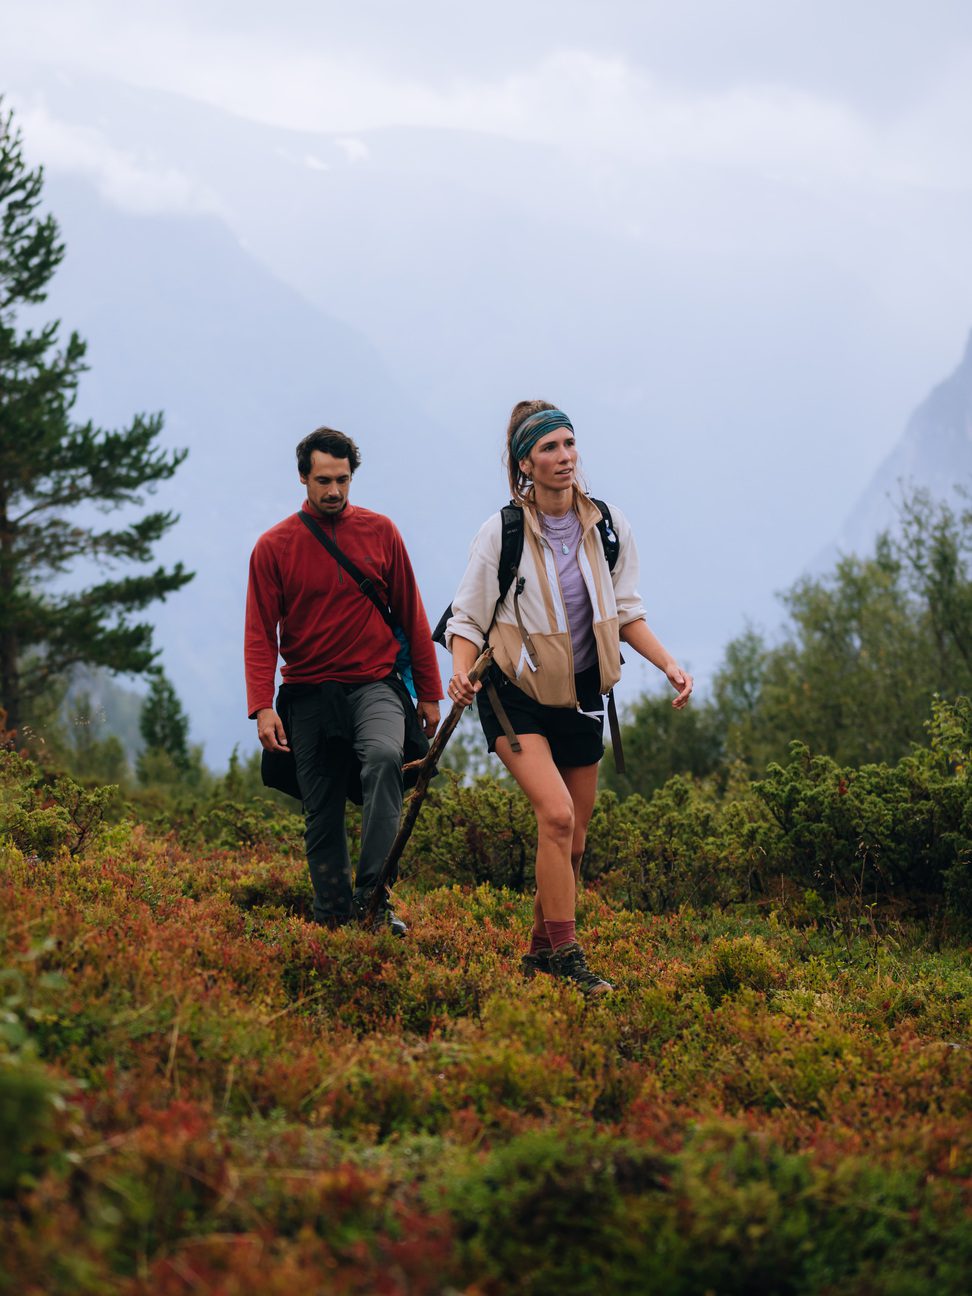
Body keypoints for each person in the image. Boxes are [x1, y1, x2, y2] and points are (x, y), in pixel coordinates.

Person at [445, 400, 692, 993]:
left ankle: (537, 953)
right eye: (549, 448)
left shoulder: (606, 526)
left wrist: (667, 664)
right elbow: (466, 619)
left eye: (569, 444)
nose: (565, 457)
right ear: (524, 462)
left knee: (574, 842)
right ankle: (568, 958)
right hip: (514, 698)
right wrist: (460, 675)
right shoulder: (502, 531)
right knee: (555, 817)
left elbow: (626, 611)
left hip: (582, 696)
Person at [245, 427, 442, 934]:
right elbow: (260, 632)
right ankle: (332, 921)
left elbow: (413, 615)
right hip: (307, 691)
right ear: (302, 478)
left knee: (385, 759)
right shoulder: (273, 547)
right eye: (323, 480)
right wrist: (262, 706)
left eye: (343, 480)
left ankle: (373, 901)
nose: (334, 491)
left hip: (374, 683)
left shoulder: (382, 532)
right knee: (322, 807)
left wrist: (430, 693)